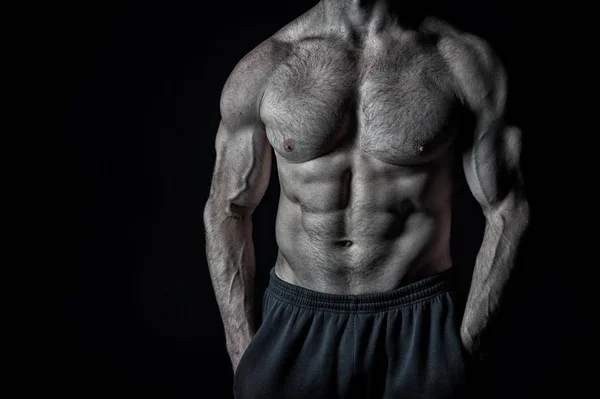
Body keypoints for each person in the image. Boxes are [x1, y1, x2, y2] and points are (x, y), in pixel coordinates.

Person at [203, 0, 529, 397]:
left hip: (419, 323)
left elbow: (508, 210)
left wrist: (470, 345)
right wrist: (242, 349)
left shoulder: (460, 60)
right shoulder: (268, 65)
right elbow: (228, 207)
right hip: (294, 321)